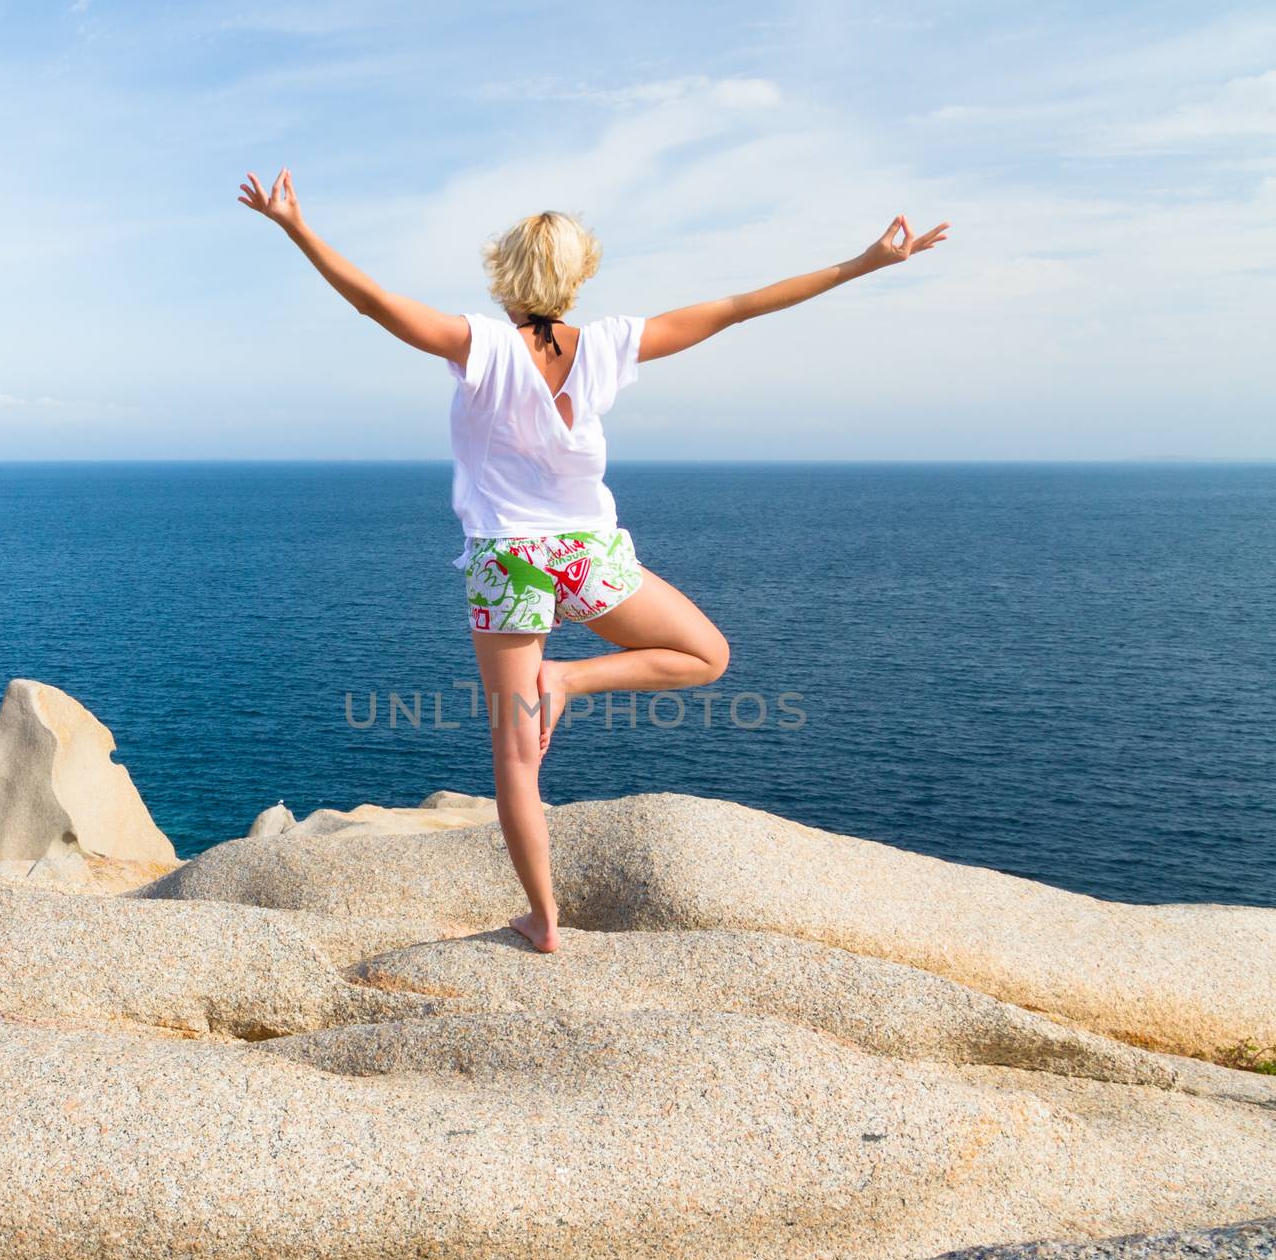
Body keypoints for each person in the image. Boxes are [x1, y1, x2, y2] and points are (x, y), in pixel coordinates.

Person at [239, 170, 948, 950]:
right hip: (586, 555)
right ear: (578, 278)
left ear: (504, 272)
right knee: (706, 656)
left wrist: (295, 227)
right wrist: (866, 264)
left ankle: (544, 920)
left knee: (515, 758)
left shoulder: (482, 346)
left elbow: (373, 302)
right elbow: (744, 305)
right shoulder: (610, 344)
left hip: (509, 561)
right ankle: (569, 681)